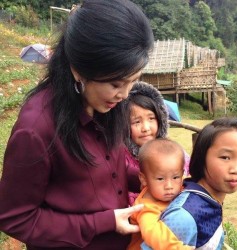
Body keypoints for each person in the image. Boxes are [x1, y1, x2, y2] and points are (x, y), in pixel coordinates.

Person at [0, 0, 154, 249]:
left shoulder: (106, 105)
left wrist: (156, 178)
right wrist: (103, 222)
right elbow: (15, 217)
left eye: (132, 81)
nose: (125, 95)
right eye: (116, 84)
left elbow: (110, 166)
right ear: (78, 69)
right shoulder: (36, 129)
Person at [142, 117, 237, 249]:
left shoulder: (208, 199)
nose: (236, 170)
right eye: (225, 157)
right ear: (202, 158)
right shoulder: (185, 216)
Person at [123, 81, 190, 205]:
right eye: (137, 122)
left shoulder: (173, 152)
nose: (146, 128)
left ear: (160, 120)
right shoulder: (121, 158)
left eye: (151, 119)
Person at [126, 138, 194, 250]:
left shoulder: (178, 187)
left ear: (182, 174)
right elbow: (154, 235)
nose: (169, 186)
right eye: (160, 179)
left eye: (176, 177)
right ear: (143, 179)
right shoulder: (145, 208)